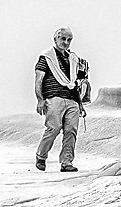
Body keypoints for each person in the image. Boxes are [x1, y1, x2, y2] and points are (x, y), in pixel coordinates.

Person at [34, 27, 89, 172]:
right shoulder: (46, 57)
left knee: (71, 131)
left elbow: (77, 82)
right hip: (54, 98)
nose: (66, 42)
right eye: (63, 39)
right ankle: (41, 155)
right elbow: (39, 79)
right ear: (55, 39)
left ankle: (66, 163)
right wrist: (40, 100)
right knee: (54, 128)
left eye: (69, 40)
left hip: (71, 100)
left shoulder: (74, 59)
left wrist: (80, 104)